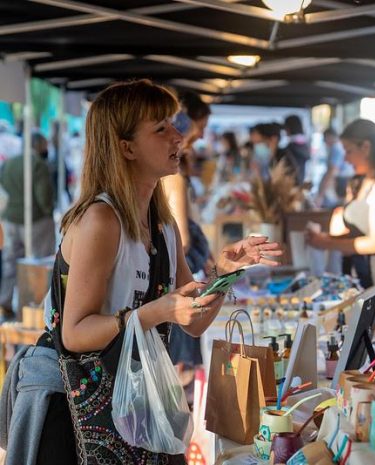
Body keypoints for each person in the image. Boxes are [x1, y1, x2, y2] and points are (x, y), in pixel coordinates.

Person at [0, 80, 282, 465]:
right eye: (161, 128)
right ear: (126, 147)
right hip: (72, 411)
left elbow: (193, 321)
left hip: (131, 400)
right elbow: (75, 332)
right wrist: (157, 312)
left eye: (173, 125)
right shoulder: (101, 220)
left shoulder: (163, 224)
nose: (178, 136)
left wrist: (223, 273)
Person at [306, 119, 375, 326]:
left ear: (366, 147)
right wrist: (324, 238)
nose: (346, 158)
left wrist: (325, 242)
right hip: (359, 277)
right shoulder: (362, 182)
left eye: (348, 150)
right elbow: (356, 234)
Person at [162, 91, 215, 395]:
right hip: (182, 281)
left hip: (180, 282)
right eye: (200, 125)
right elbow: (181, 238)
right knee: (182, 372)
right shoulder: (174, 178)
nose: (201, 134)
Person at [0, 132, 56, 318]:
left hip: (10, 220)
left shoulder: (10, 162)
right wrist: (48, 211)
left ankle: (5, 302)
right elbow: (43, 195)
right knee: (41, 264)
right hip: (35, 220)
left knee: (9, 263)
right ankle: (36, 306)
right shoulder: (37, 164)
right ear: (39, 144)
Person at [315, 127, 354, 208]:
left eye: (324, 139)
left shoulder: (336, 148)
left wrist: (320, 195)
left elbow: (331, 172)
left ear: (329, 137)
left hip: (341, 184)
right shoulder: (338, 147)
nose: (325, 142)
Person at [279, 114, 310, 186]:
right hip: (301, 181)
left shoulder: (290, 148)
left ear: (289, 128)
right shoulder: (304, 145)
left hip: (291, 184)